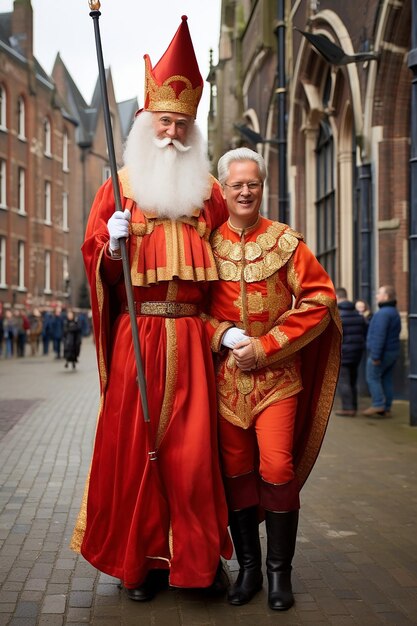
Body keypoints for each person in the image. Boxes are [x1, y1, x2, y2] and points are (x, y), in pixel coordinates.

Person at [70, 16, 232, 602]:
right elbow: (99, 272)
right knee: (137, 452)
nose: (173, 132)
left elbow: (228, 269)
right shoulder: (118, 188)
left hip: (191, 342)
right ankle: (141, 563)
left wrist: (233, 333)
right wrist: (109, 246)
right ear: (147, 120)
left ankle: (194, 564)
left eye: (183, 124)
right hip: (137, 337)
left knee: (191, 461)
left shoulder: (209, 193)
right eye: (165, 121)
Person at [203, 148, 341, 611]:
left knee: (277, 468)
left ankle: (280, 574)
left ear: (262, 186)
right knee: (236, 473)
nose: (245, 192)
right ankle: (249, 570)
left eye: (253, 184)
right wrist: (223, 335)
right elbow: (190, 310)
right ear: (223, 189)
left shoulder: (287, 242)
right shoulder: (205, 245)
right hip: (227, 384)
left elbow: (320, 300)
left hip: (279, 378)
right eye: (237, 184)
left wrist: (267, 345)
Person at [362, 285, 401, 416]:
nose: (376, 295)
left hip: (381, 353)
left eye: (379, 293)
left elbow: (379, 336)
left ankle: (378, 404)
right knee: (386, 379)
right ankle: (387, 407)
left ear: (386, 296)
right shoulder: (393, 311)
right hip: (392, 352)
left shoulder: (382, 314)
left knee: (372, 377)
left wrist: (375, 356)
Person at [335, 288, 367, 416]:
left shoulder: (337, 316)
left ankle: (348, 408)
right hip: (357, 353)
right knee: (353, 380)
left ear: (337, 296)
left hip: (343, 353)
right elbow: (364, 333)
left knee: (344, 381)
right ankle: (354, 406)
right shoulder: (358, 316)